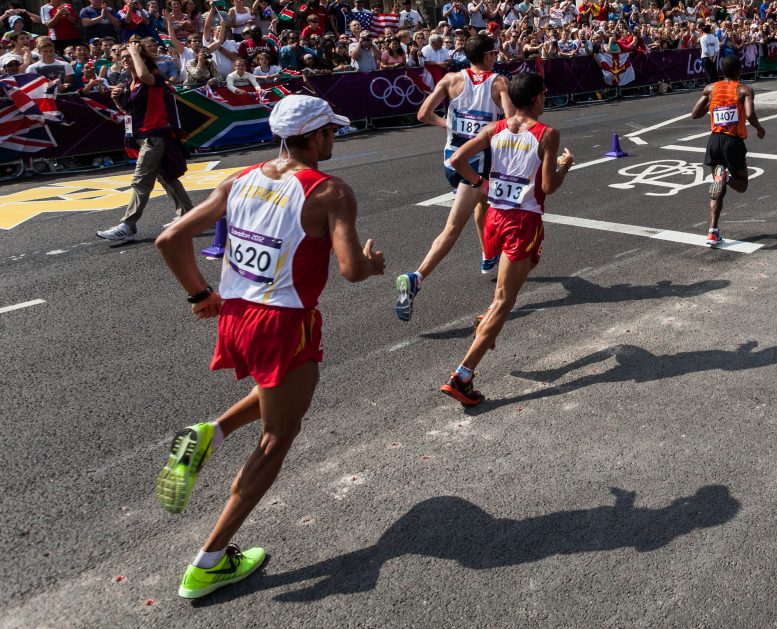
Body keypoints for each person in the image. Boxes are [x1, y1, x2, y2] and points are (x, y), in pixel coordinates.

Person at [151, 94, 384, 599]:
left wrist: (201, 294)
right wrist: (373, 263)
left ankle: (209, 431)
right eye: (331, 132)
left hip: (235, 315)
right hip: (282, 321)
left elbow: (169, 239)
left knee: (285, 390)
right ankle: (208, 562)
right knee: (279, 435)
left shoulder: (239, 178)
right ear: (318, 136)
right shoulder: (330, 192)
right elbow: (349, 269)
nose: (333, 139)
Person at [441, 72, 572, 404]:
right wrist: (565, 166)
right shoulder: (547, 134)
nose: (545, 99)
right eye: (544, 94)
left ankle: (487, 320)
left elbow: (457, 159)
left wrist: (482, 185)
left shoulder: (495, 128)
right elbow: (548, 187)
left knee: (516, 279)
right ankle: (462, 376)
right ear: (537, 98)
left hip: (495, 218)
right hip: (522, 220)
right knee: (504, 301)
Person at [393, 33, 513, 321]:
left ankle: (488, 254)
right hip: (476, 161)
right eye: (494, 54)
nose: (496, 58)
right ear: (486, 56)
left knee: (482, 202)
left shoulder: (450, 80)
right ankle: (416, 278)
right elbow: (509, 123)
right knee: (452, 228)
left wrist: (449, 123)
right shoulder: (498, 82)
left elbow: (423, 114)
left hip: (451, 158)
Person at [96, 37, 196, 243]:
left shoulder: (154, 77)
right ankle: (189, 215)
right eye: (123, 57)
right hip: (142, 135)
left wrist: (135, 51)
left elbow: (144, 74)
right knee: (167, 177)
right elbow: (131, 113)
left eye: (129, 56)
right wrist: (117, 100)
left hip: (155, 136)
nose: (125, 59)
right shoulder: (131, 83)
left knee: (140, 181)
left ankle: (128, 225)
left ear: (141, 58)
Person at [690, 54, 765, 248]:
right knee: (741, 185)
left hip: (714, 141)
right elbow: (749, 114)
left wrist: (712, 103)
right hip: (733, 142)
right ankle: (727, 178)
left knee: (717, 189)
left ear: (722, 71)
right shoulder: (744, 90)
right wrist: (758, 128)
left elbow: (694, 114)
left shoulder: (711, 88)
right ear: (739, 71)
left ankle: (712, 231)